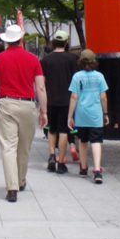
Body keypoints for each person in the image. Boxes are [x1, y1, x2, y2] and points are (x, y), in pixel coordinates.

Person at [0, 24, 47, 202]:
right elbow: (40, 87)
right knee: (24, 146)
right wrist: (43, 111)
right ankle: (20, 180)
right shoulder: (33, 59)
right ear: (20, 39)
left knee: (8, 146)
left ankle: (11, 188)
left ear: (6, 40)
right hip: (27, 105)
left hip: (6, 103)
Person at [67, 49, 110, 184]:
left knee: (83, 141)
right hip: (96, 114)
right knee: (96, 141)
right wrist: (105, 113)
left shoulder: (77, 76)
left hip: (81, 114)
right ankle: (97, 170)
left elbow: (74, 97)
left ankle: (83, 167)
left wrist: (70, 116)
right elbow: (103, 97)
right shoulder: (99, 76)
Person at [40, 30, 77, 174]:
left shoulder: (46, 60)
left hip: (50, 99)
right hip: (67, 101)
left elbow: (42, 83)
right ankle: (61, 162)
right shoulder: (73, 59)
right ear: (66, 42)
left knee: (51, 128)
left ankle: (51, 155)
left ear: (53, 42)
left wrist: (42, 105)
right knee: (63, 130)